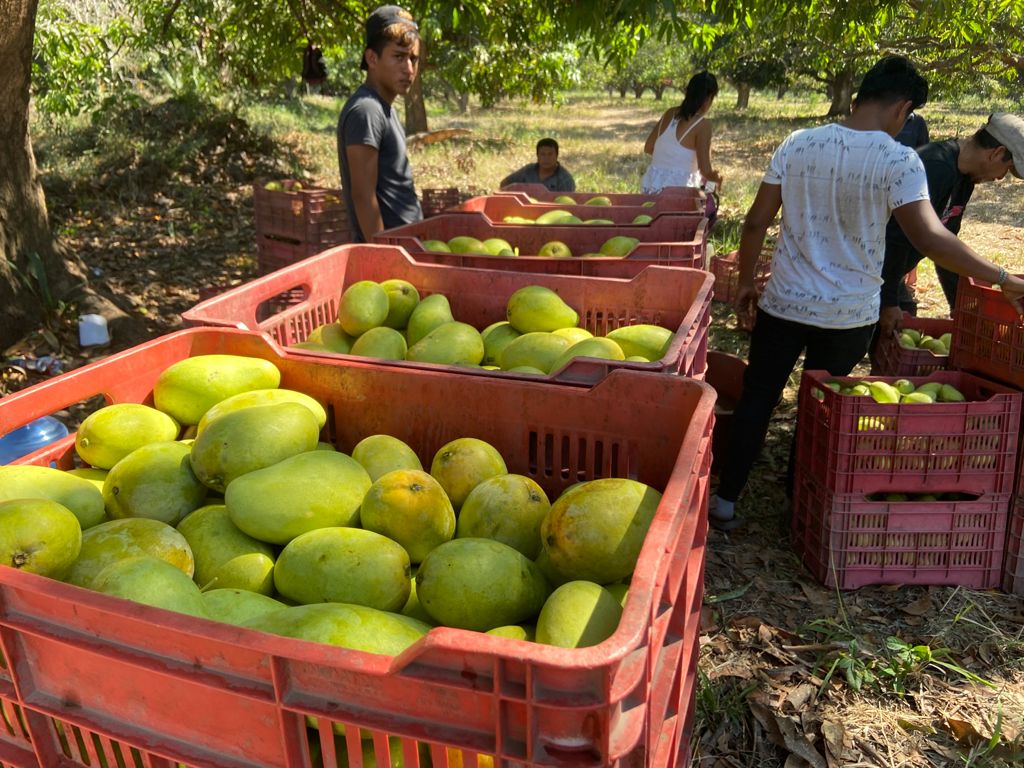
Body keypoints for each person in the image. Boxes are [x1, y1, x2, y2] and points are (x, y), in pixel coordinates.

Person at [709, 56, 1024, 532]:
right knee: (819, 406)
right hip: (847, 315)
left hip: (786, 302)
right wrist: (1003, 277)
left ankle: (726, 502)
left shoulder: (797, 144)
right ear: (902, 107)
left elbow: (756, 222)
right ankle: (798, 504)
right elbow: (930, 239)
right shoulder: (899, 159)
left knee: (758, 398)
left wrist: (749, 282)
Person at [878, 112, 1023, 331]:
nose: (1001, 178)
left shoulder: (965, 179)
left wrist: (960, 308)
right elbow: (896, 237)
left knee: (903, 321)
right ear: (997, 153)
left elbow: (946, 245)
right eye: (1008, 169)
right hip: (866, 271)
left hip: (888, 273)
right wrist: (888, 302)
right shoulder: (935, 167)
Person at [337, 5, 423, 242]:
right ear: (372, 58)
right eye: (398, 57)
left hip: (406, 246)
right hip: (389, 252)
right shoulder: (366, 110)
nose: (409, 69)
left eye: (413, 59)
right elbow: (363, 197)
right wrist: (383, 255)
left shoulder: (385, 108)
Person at [640, 71, 723, 194]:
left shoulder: (669, 113)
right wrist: (717, 178)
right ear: (709, 98)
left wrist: (672, 160)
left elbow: (648, 147)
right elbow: (705, 170)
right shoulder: (703, 125)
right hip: (679, 193)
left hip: (651, 186)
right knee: (709, 189)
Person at [500, 138, 576, 192]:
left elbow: (568, 203)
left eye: (550, 154)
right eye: (543, 154)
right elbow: (505, 183)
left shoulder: (565, 179)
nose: (546, 158)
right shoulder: (528, 171)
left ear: (557, 155)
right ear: (537, 156)